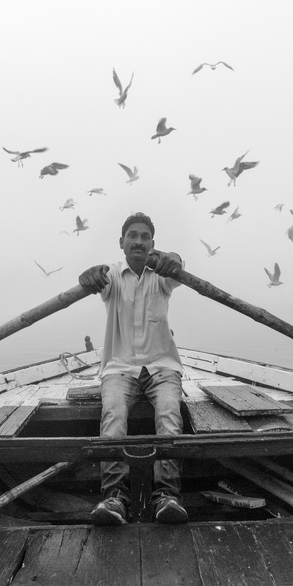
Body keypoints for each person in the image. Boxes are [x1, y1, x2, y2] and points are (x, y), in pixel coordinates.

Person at [78, 212, 188, 525]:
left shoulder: (163, 274)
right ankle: (114, 498)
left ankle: (167, 496)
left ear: (153, 243)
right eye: (133, 236)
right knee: (113, 416)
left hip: (161, 367)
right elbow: (92, 276)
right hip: (119, 369)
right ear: (122, 243)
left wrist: (174, 258)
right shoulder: (111, 276)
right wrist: (87, 274)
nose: (138, 241)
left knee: (169, 414)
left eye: (145, 237)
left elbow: (178, 270)